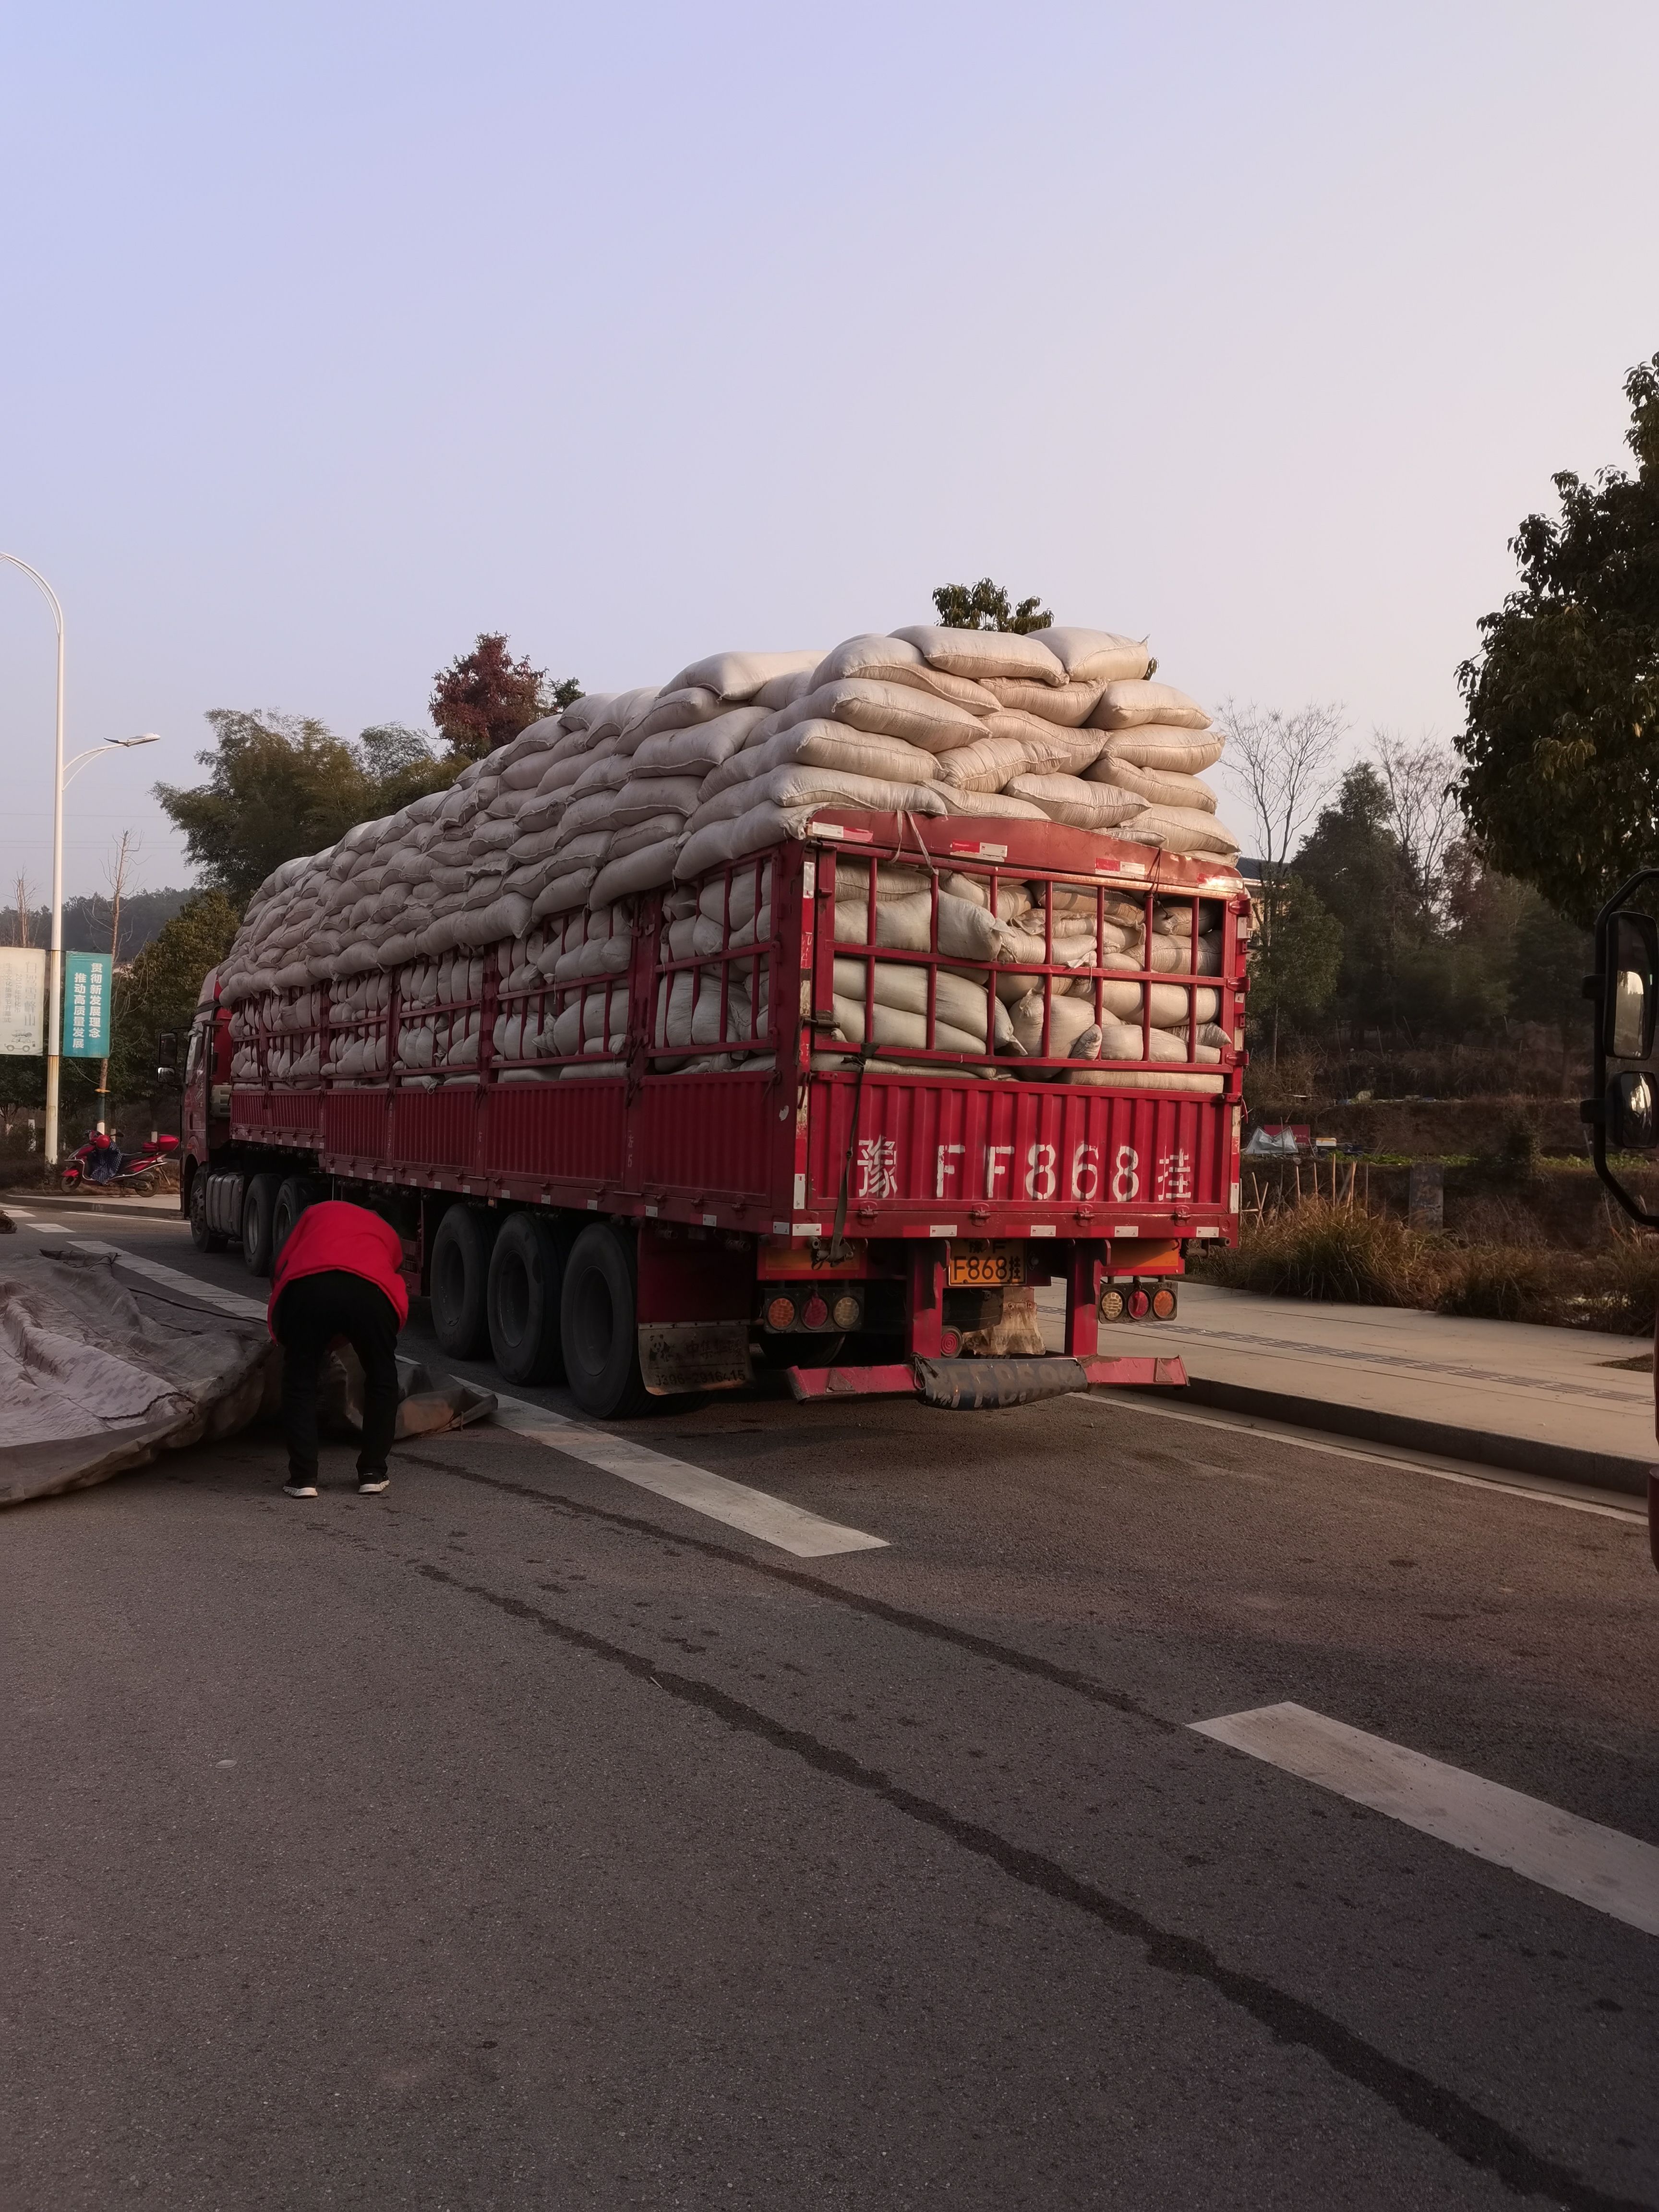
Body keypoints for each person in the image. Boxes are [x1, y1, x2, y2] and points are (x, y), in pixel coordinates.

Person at [268, 1199, 408, 1499]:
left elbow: (279, 1263)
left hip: (310, 1287)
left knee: (299, 1379)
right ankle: (373, 1471)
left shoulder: (314, 1213)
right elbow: (391, 1269)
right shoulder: (385, 1232)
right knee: (382, 1378)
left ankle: (303, 1478)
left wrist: (290, 1334)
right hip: (372, 1292)